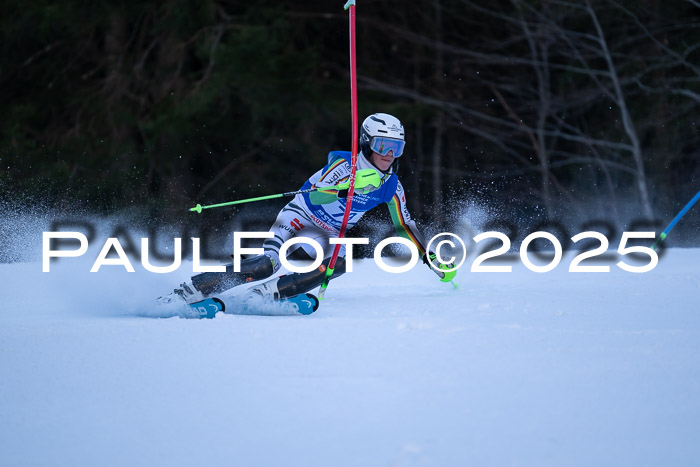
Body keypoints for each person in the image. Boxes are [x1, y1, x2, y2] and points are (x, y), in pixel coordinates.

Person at [176, 112, 455, 303]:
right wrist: (348, 188)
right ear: (368, 143)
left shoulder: (391, 186)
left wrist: (429, 257)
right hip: (300, 217)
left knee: (338, 264)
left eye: (397, 147)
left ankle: (270, 294)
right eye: (383, 145)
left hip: (330, 232)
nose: (389, 155)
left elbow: (404, 225)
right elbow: (318, 196)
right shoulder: (345, 165)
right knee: (265, 264)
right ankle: (193, 289)